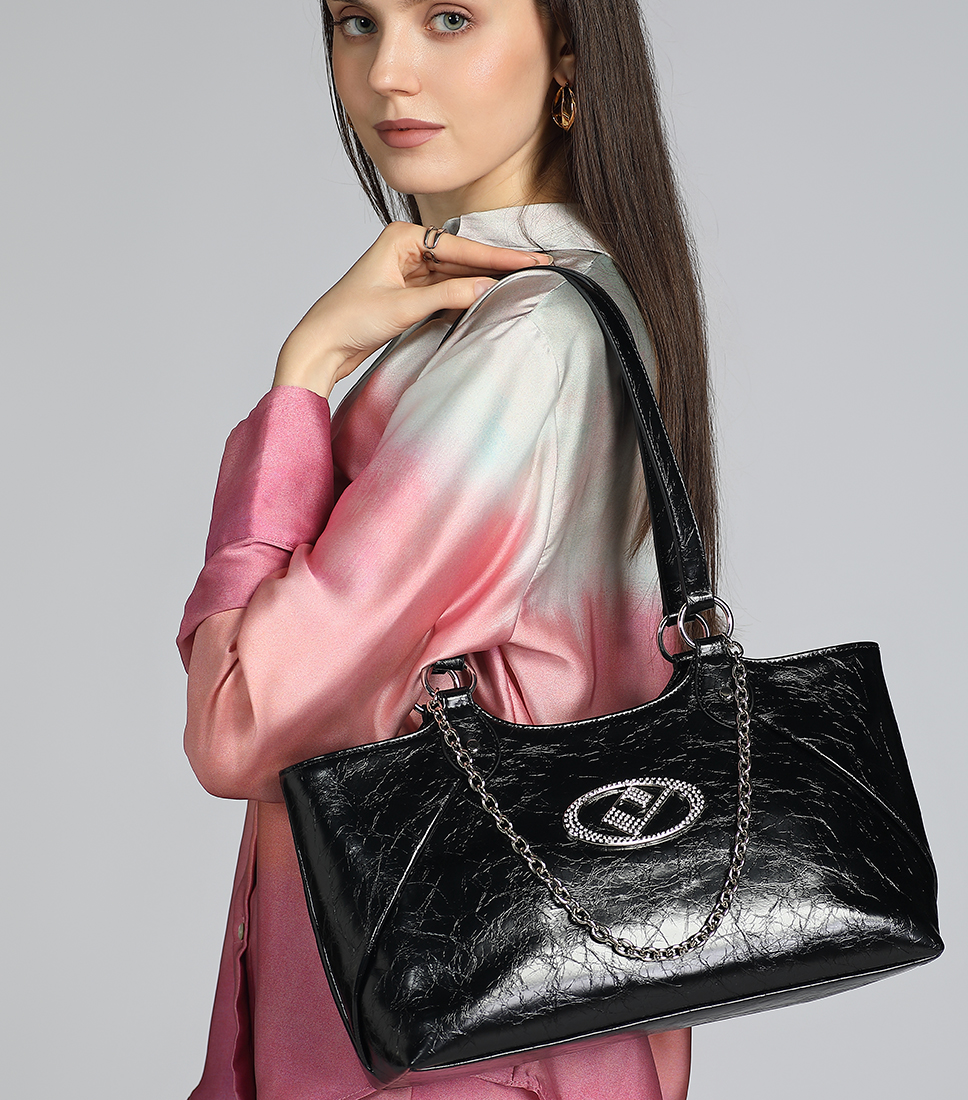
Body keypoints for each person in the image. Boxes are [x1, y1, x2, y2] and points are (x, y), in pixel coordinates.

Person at [178, 2, 718, 1098]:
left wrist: (304, 370)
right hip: (476, 1024)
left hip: (456, 1046)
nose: (389, 71)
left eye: (450, 17)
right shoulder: (532, 312)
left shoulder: (526, 337)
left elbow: (242, 722)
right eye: (357, 22)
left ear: (567, 52)